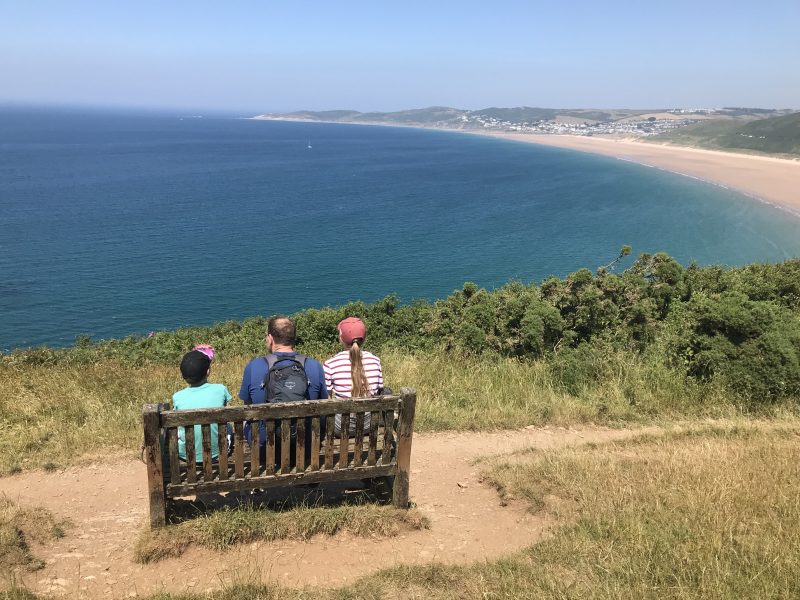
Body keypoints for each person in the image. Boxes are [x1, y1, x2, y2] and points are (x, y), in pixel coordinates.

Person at [238, 315, 327, 465]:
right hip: (304, 447)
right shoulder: (314, 366)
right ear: (293, 338)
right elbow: (324, 408)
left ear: (270, 338)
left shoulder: (253, 367)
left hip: (265, 449)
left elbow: (247, 407)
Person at [324, 317, 384, 435]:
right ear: (364, 338)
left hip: (340, 428)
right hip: (368, 424)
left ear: (340, 339)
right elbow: (379, 391)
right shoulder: (375, 360)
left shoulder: (330, 364)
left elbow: (327, 400)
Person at [172, 347, 232, 464]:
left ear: (183, 376)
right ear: (208, 371)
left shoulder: (177, 397)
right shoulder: (221, 389)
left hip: (187, 455)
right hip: (219, 452)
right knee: (228, 425)